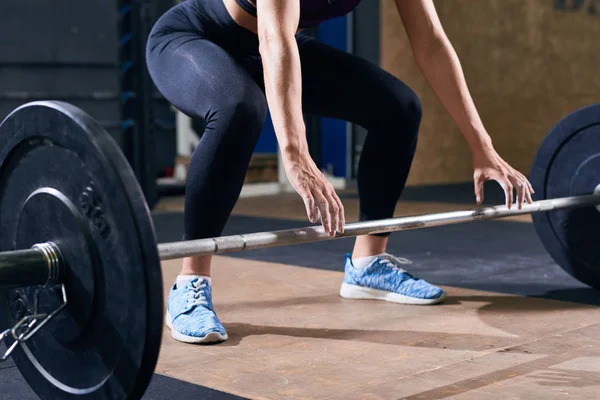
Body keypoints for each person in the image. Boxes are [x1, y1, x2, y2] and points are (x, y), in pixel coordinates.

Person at [146, 0, 535, 344]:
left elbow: (431, 43)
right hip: (195, 41)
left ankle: (367, 265)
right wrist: (296, 155)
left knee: (398, 107)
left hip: (277, 44)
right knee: (240, 109)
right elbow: (273, 38)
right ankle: (191, 281)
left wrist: (482, 148)